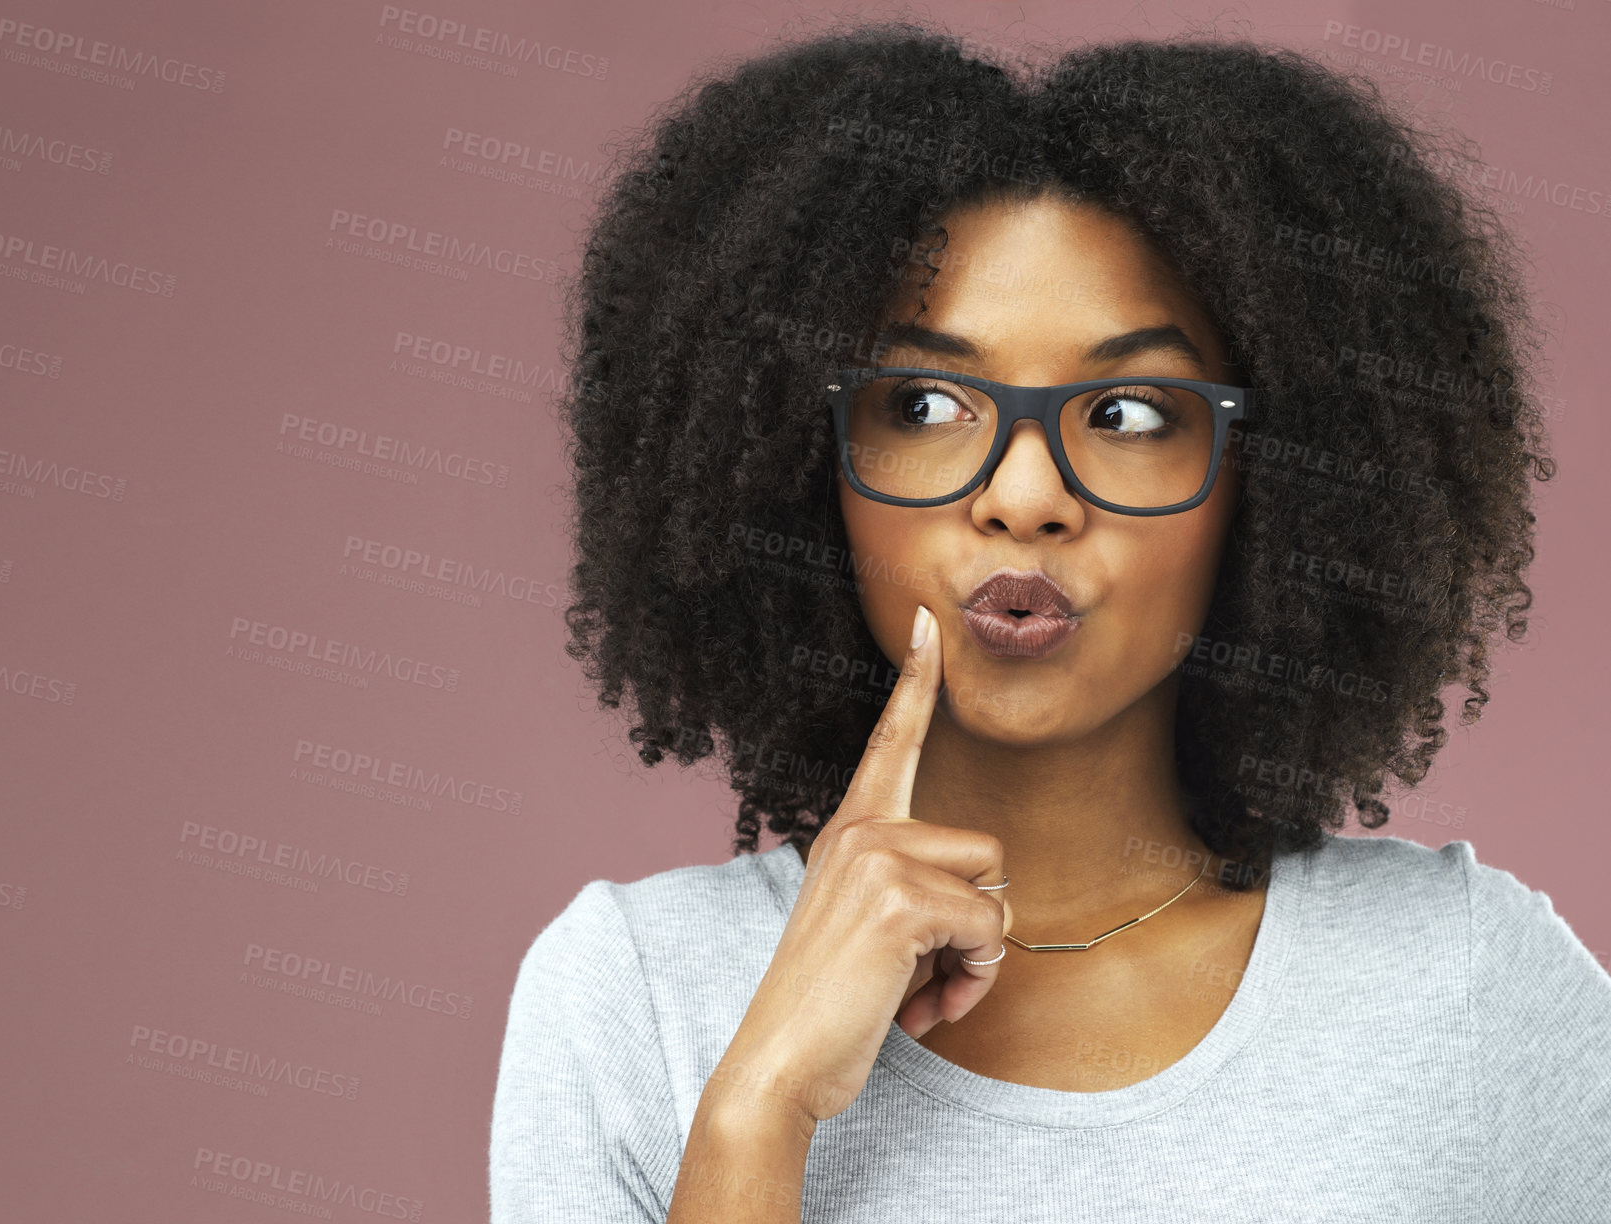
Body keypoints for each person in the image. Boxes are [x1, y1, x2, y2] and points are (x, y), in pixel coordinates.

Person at [489, 18, 1611, 1223]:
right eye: (921, 402)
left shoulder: (1465, 979)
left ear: (1275, 479)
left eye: (1129, 413)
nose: (1023, 497)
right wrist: (758, 1106)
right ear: (793, 462)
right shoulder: (636, 994)